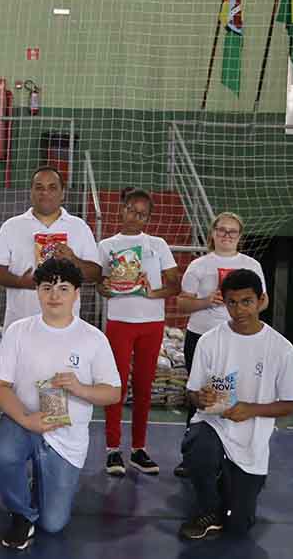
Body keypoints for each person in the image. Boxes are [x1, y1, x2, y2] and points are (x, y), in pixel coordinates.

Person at [0, 258, 121, 550]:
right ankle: (22, 513)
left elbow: (113, 393)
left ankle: (41, 489)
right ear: (37, 292)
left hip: (66, 434)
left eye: (63, 288)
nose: (54, 295)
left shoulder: (93, 338)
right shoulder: (19, 331)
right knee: (1, 454)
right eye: (47, 287)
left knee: (53, 524)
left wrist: (80, 388)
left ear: (77, 293)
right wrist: (26, 420)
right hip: (24, 420)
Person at [179, 269, 293, 539]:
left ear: (261, 301)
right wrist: (200, 398)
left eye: (246, 301)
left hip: (251, 438)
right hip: (212, 425)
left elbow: (292, 403)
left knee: (238, 527)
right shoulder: (210, 341)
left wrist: (251, 410)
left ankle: (240, 484)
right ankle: (208, 507)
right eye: (231, 302)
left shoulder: (281, 348)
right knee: (198, 444)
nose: (239, 309)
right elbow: (192, 392)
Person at [174, 211, 267, 477]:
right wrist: (209, 300)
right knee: (199, 396)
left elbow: (265, 300)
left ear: (240, 237)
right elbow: (182, 303)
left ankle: (235, 455)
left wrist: (244, 303)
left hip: (240, 339)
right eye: (222, 230)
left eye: (232, 232)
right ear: (213, 233)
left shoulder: (251, 265)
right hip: (202, 337)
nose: (226, 235)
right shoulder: (199, 266)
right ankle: (191, 457)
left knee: (241, 394)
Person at [96, 188, 180, 476]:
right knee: (115, 387)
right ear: (122, 209)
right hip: (119, 321)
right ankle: (112, 450)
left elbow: (174, 285)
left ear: (148, 218)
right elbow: (100, 284)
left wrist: (151, 291)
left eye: (142, 214)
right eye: (131, 210)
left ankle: (138, 449)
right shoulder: (107, 245)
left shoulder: (157, 244)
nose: (135, 217)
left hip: (152, 324)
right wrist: (105, 288)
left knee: (144, 387)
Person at [0, 165, 100, 330]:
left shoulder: (79, 226)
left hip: (66, 327)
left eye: (52, 187)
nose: (45, 193)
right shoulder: (12, 226)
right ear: (31, 192)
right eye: (39, 187)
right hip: (20, 324)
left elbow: (95, 274)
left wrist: (73, 260)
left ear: (62, 193)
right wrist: (21, 282)